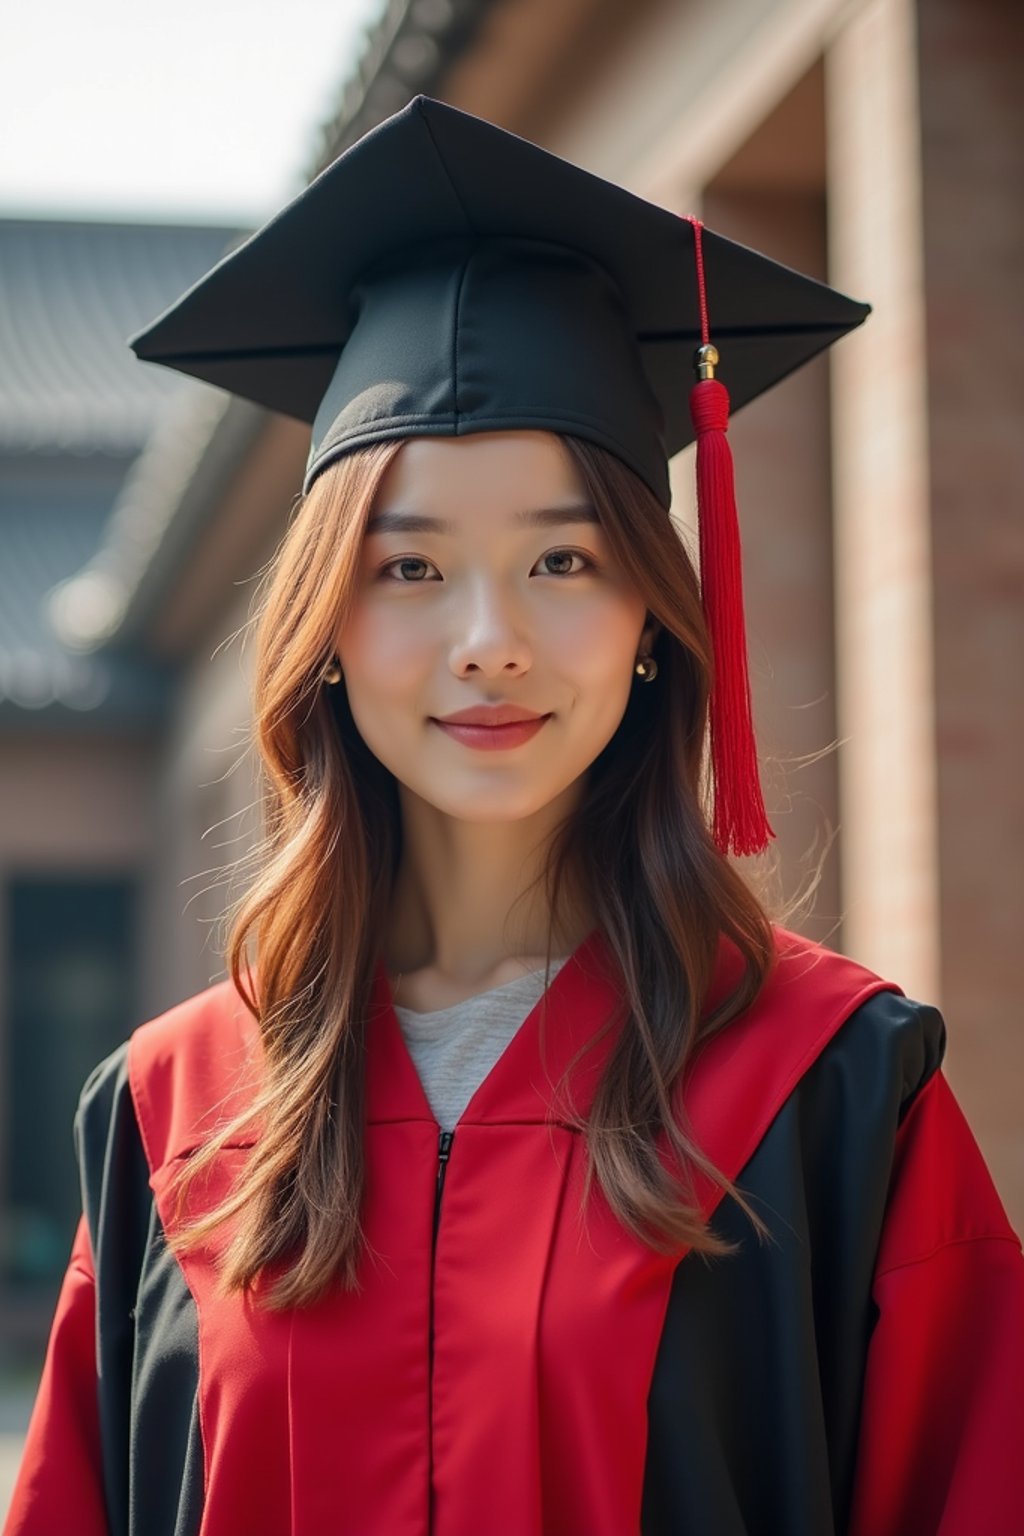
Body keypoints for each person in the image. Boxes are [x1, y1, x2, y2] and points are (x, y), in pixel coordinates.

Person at [6, 95, 1023, 1536]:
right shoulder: (172, 1113)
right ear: (327, 630)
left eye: (563, 559)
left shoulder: (833, 1091)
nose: (489, 640)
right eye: (411, 569)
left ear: (653, 622)